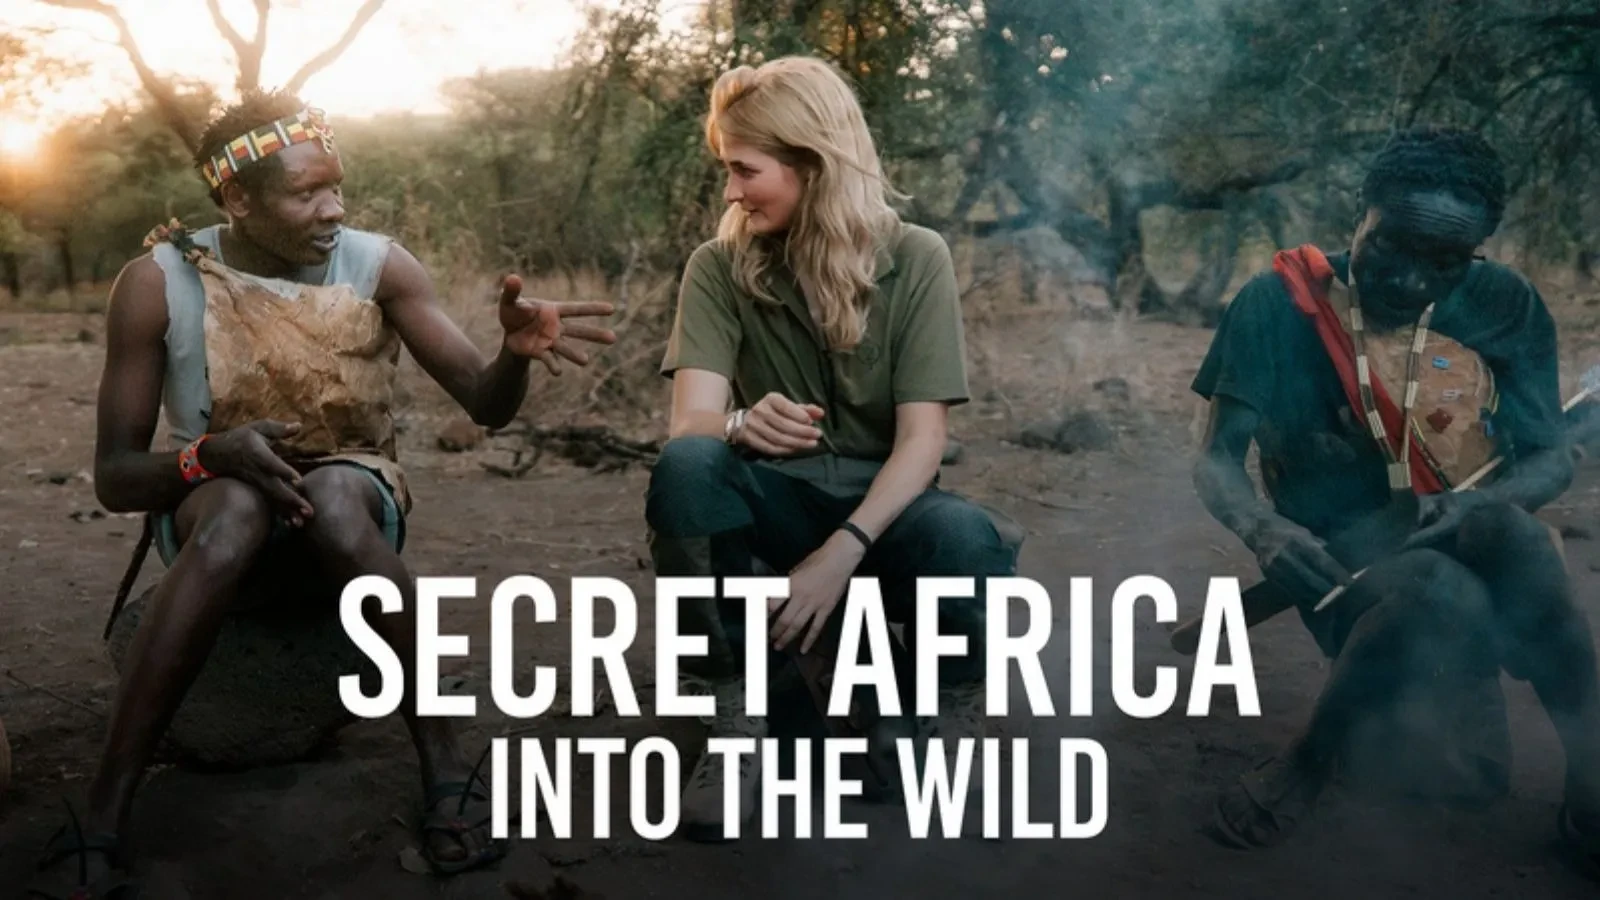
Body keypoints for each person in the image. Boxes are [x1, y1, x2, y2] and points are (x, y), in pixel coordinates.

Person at [30, 90, 616, 896]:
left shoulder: (380, 266)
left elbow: (484, 404)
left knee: (337, 495)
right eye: (306, 193)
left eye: (337, 186)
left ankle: (445, 765)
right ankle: (103, 811)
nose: (333, 209)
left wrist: (513, 354)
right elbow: (116, 478)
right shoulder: (159, 281)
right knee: (236, 508)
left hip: (353, 499)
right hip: (213, 506)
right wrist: (211, 456)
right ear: (238, 197)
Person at [1190, 125, 1600, 876]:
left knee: (1507, 533)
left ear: (1476, 251)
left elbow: (1549, 460)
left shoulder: (1506, 304)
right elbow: (1216, 459)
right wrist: (1263, 528)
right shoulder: (1281, 304)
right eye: (1391, 246)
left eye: (1444, 260)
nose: (1411, 280)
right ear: (1361, 214)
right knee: (1437, 598)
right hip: (1341, 572)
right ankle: (1308, 763)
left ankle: (1591, 775)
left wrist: (1481, 503)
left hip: (1484, 553)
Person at [643, 55, 1021, 842]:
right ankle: (731, 717)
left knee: (965, 539)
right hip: (776, 501)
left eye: (746, 170)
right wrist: (743, 425)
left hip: (885, 513)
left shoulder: (916, 256)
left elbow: (924, 444)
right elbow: (694, 427)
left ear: (811, 164)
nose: (731, 193)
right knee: (686, 471)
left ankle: (939, 704)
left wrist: (839, 555)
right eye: (726, 171)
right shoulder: (718, 266)